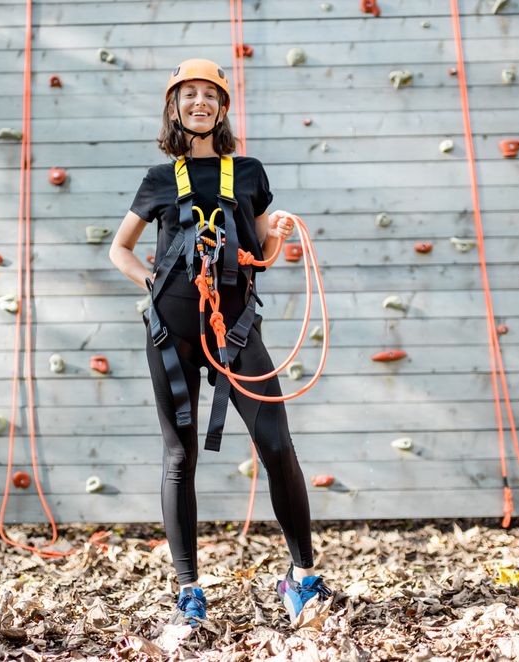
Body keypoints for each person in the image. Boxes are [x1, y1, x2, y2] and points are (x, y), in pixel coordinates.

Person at [109, 59, 332, 627]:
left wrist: (276, 236)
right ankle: (189, 590)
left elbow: (261, 254)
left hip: (236, 331)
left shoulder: (249, 173)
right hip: (173, 331)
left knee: (277, 445)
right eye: (189, 95)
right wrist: (151, 280)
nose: (200, 103)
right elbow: (120, 251)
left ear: (222, 108)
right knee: (179, 455)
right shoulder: (160, 180)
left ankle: (302, 577)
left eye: (210, 95)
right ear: (175, 107)